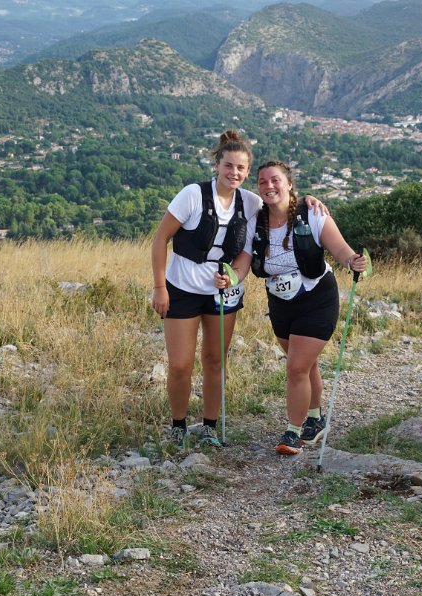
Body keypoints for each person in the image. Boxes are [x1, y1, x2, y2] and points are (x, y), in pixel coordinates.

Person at [151, 132, 327, 451]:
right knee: (179, 364)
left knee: (215, 360)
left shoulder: (251, 202)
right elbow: (160, 238)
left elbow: (281, 203)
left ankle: (209, 426)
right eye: (229, 166)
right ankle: (178, 426)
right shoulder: (192, 195)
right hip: (182, 288)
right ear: (217, 165)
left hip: (223, 292)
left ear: (247, 172)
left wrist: (308, 201)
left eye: (241, 168)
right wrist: (160, 287)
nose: (234, 172)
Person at [217, 160, 368, 456]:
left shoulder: (312, 213)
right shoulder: (256, 222)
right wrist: (231, 278)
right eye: (262, 181)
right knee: (305, 365)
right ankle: (315, 418)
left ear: (288, 184)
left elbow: (340, 249)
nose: (269, 186)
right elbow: (244, 261)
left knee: (296, 367)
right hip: (281, 303)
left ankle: (293, 433)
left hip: (317, 299)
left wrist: (353, 261)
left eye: (275, 180)